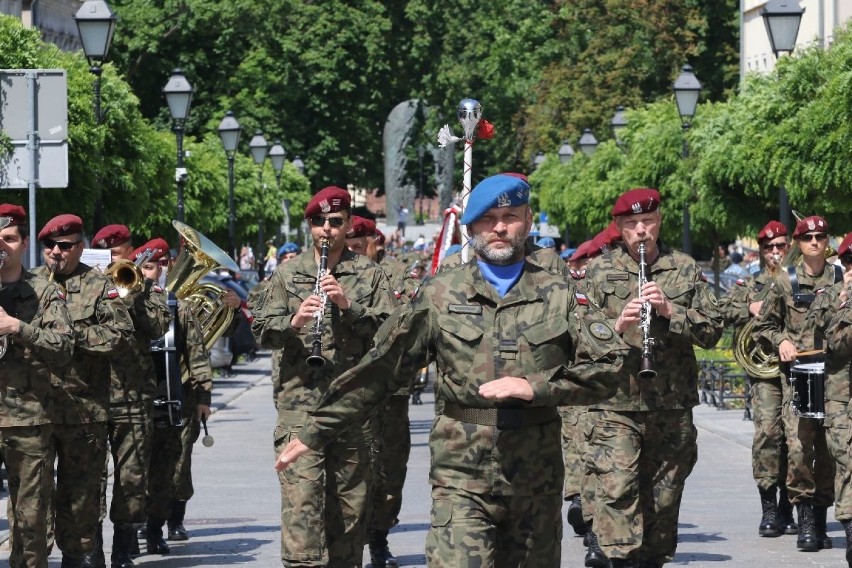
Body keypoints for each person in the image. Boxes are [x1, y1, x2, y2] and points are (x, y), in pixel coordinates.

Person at [275, 174, 627, 567]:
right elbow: (383, 368)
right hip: (460, 474)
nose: (499, 227)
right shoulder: (441, 292)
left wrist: (537, 387)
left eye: (510, 216)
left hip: (535, 478)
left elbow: (608, 364)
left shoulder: (558, 291)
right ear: (471, 227)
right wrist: (317, 429)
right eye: (487, 218)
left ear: (527, 221)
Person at [250, 186, 396, 567]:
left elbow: (392, 331)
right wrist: (295, 321)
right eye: (318, 222)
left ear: (348, 225)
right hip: (300, 408)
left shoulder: (369, 273)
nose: (325, 229)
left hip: (352, 408)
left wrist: (348, 306)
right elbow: (261, 329)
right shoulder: (287, 273)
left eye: (334, 222)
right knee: (302, 505)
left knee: (350, 513)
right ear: (309, 226)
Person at [583, 188, 724, 568]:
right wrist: (614, 326)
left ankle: (650, 560)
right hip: (616, 404)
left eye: (647, 222)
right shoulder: (598, 271)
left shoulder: (685, 267)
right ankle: (617, 558)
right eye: (631, 224)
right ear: (618, 228)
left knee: (663, 500)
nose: (641, 231)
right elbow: (576, 336)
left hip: (671, 403)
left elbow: (712, 331)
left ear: (659, 221)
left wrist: (669, 310)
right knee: (617, 490)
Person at [33, 214, 134, 568]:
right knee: (33, 504)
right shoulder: (28, 284)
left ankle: (81, 559)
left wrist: (67, 336)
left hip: (83, 412)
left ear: (80, 247)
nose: (55, 253)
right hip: (36, 411)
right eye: (49, 246)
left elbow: (120, 335)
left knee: (80, 501)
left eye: (64, 246)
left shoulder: (98, 285)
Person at [754, 215, 841, 552]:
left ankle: (820, 520)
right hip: (800, 377)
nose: (815, 242)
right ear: (799, 243)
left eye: (820, 236)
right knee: (801, 450)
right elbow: (764, 326)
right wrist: (781, 341)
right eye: (808, 237)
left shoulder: (840, 279)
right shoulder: (785, 282)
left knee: (830, 451)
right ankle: (804, 519)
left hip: (834, 378)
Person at [89, 226, 172, 568]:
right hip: (90, 393)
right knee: (90, 476)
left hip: (133, 394)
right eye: (107, 254)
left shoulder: (148, 288)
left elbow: (157, 327)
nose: (114, 259)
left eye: (120, 252)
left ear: (131, 251)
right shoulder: (84, 286)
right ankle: (91, 548)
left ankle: (123, 546)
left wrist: (131, 292)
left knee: (131, 476)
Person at [0, 204, 74, 568]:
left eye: (10, 238)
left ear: (24, 243)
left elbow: (64, 348)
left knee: (30, 523)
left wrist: (18, 327)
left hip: (27, 420)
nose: (2, 245)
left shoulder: (45, 291)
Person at [347, 216, 419, 567]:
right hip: (351, 386)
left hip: (391, 390)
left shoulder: (398, 274)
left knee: (390, 468)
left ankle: (379, 537)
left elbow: (406, 319)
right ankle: (349, 541)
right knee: (352, 466)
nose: (355, 253)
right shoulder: (333, 271)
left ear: (376, 242)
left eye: (361, 246)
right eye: (350, 247)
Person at [718, 220, 797, 538]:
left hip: (795, 368)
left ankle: (787, 508)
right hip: (763, 372)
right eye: (769, 247)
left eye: (780, 246)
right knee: (767, 433)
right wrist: (748, 306)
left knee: (796, 439)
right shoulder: (749, 283)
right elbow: (721, 310)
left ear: (789, 246)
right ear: (761, 250)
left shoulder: (798, 280)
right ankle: (768, 509)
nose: (775, 252)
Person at [140, 237, 216, 554]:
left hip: (171, 403)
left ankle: (157, 529)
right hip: (131, 406)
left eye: (157, 265)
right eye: (145, 266)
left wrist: (203, 399)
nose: (151, 272)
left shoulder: (178, 307)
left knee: (165, 472)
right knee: (131, 475)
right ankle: (127, 537)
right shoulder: (119, 305)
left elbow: (197, 356)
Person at [808, 232, 852, 565]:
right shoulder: (831, 297)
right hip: (841, 398)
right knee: (847, 462)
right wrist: (845, 304)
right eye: (850, 262)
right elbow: (831, 341)